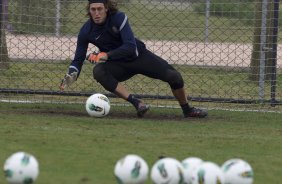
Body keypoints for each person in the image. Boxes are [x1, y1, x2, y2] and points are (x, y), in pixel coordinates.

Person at [60, 0, 208, 118]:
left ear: (106, 8)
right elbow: (78, 59)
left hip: (139, 57)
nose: (97, 13)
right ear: (89, 11)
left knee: (174, 77)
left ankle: (187, 110)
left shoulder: (119, 18)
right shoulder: (86, 31)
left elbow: (130, 46)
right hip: (118, 65)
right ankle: (137, 103)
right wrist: (72, 74)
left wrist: (105, 55)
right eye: (93, 10)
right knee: (98, 71)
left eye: (100, 9)